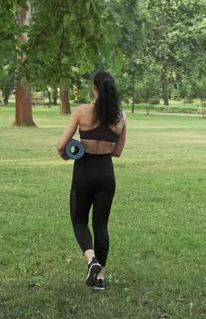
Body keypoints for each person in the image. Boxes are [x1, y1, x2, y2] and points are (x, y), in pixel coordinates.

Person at [56, 72, 127, 290]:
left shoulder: (81, 112)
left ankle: (91, 260)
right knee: (101, 225)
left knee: (79, 221)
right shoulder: (120, 117)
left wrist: (68, 154)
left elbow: (61, 146)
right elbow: (117, 152)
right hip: (106, 174)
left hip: (84, 173)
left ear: (94, 88)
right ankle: (100, 279)